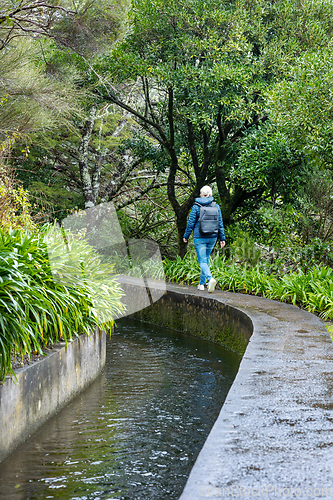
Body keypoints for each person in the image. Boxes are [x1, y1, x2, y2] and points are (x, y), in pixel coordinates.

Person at [183, 186, 226, 293]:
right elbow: (220, 223)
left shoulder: (196, 206)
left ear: (202, 194)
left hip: (199, 237)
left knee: (202, 260)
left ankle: (210, 279)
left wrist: (186, 235)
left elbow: (190, 222)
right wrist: (222, 238)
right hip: (213, 237)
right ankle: (201, 284)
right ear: (210, 194)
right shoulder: (216, 206)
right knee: (205, 260)